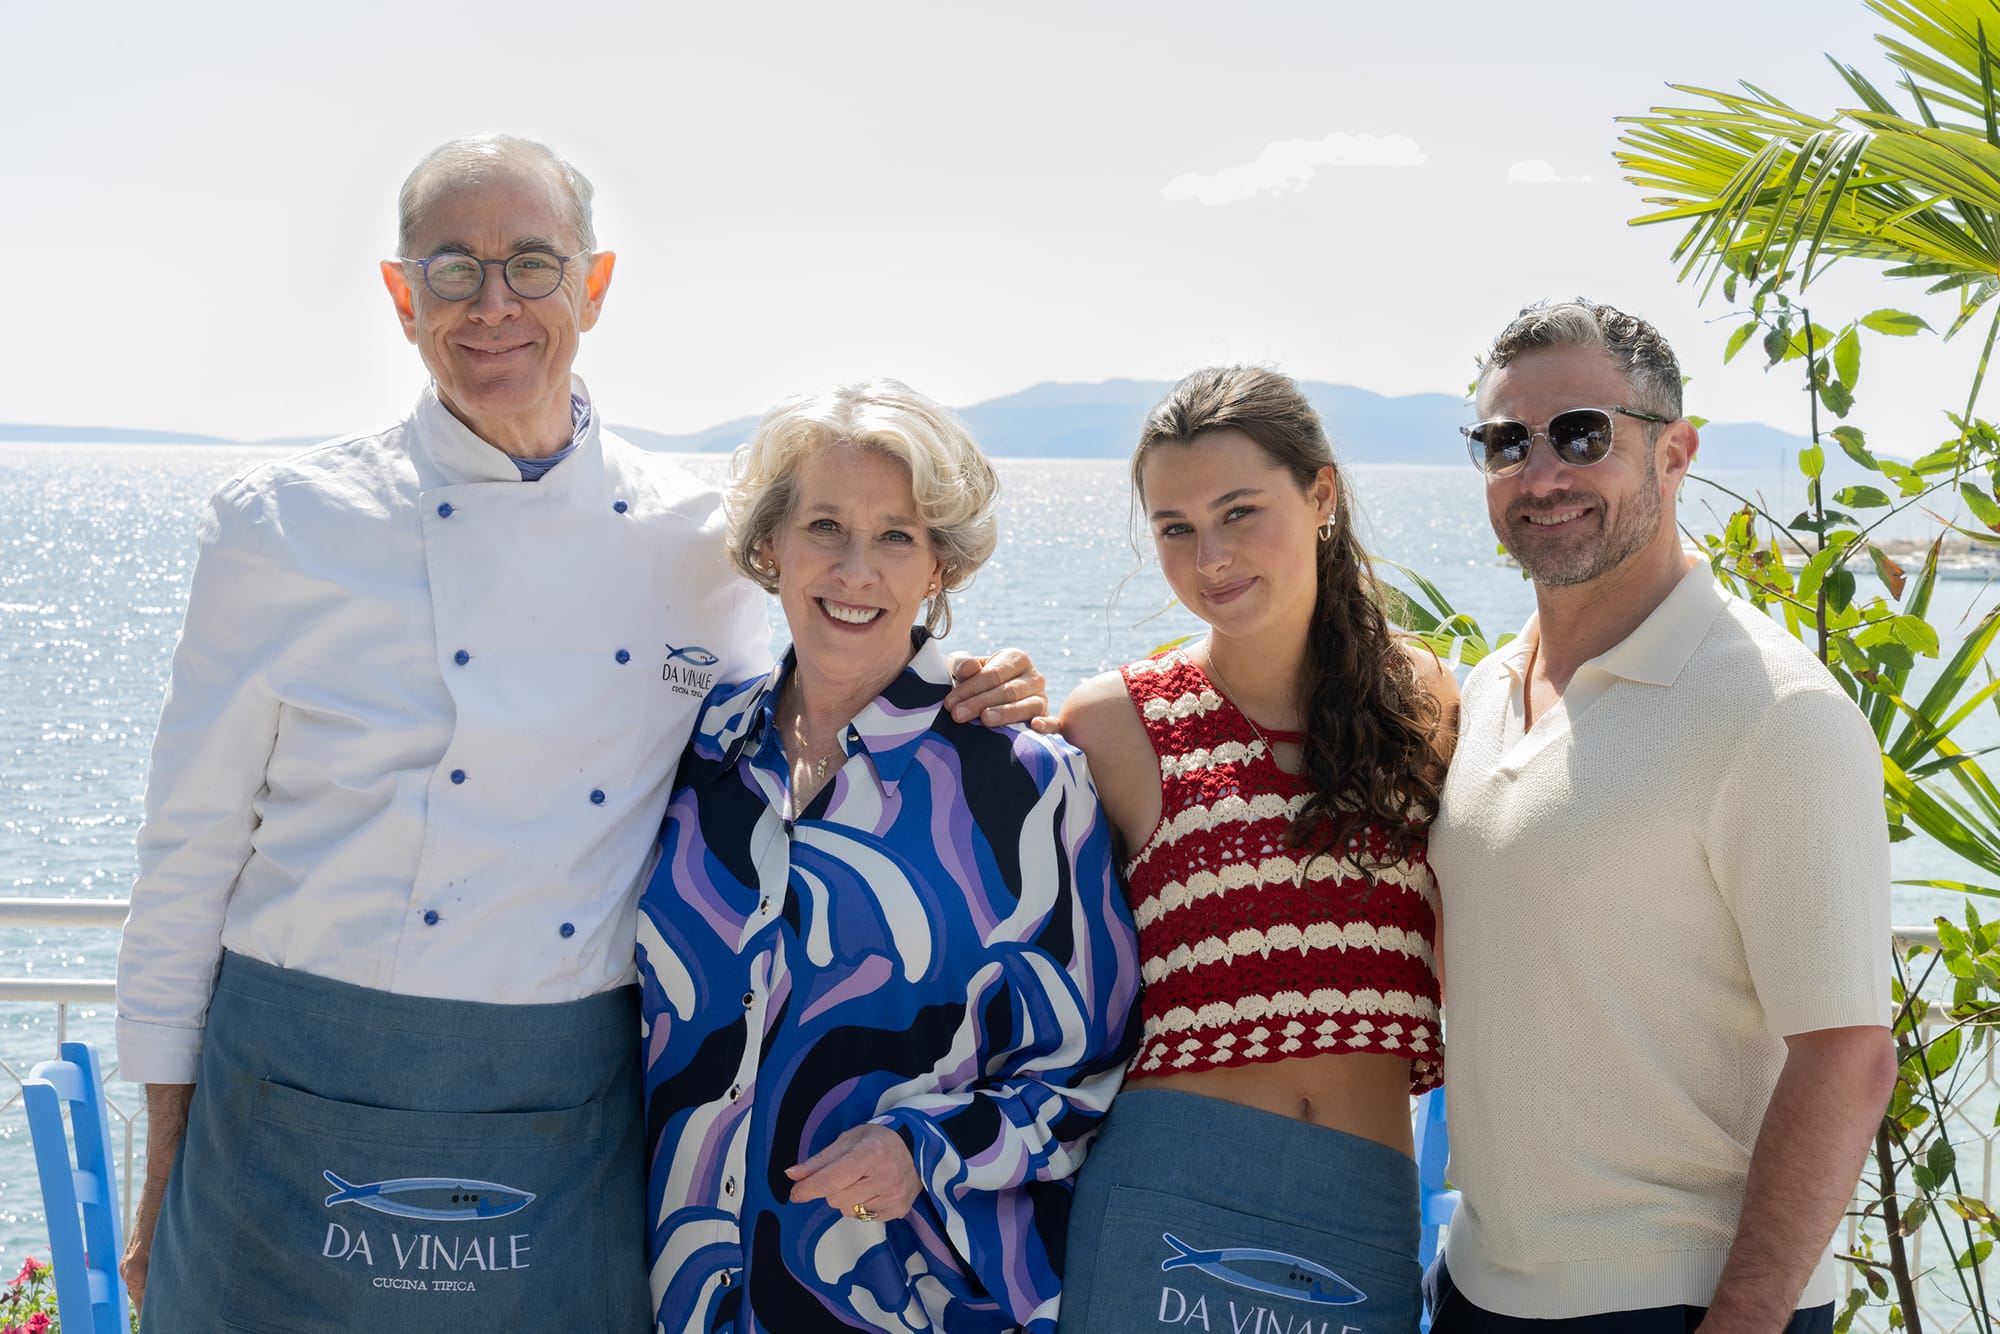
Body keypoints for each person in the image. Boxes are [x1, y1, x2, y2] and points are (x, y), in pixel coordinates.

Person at [112, 136, 1045, 1334]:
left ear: (594, 287)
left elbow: (831, 676)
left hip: (557, 1100)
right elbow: (185, 853)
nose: (493, 303)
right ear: (402, 299)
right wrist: (167, 1150)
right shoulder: (280, 525)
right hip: (292, 1085)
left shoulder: (699, 539)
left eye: (532, 265)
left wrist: (975, 680)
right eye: (452, 269)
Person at [1426, 299, 1897, 1333]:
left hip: (1674, 1303)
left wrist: (1744, 1314)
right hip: (1479, 1284)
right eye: (1506, 442)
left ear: (1673, 450)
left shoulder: (1775, 710)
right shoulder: (1491, 687)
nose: (1540, 473)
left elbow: (1847, 1052)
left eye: (1579, 433)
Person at [634, 379, 1141, 1332]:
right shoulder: (699, 754)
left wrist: (925, 1149)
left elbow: (1090, 1067)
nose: (856, 569)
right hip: (685, 1295)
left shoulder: (1026, 786)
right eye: (824, 526)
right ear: (770, 547)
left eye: (897, 536)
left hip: (912, 1300)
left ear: (939, 567)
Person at [1054, 366, 1458, 1333]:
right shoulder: (1113, 725)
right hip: (1167, 1185)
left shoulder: (1432, 706)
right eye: (1175, 528)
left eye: (1240, 512)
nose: (1211, 558)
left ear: (1321, 495)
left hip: (1366, 1205)